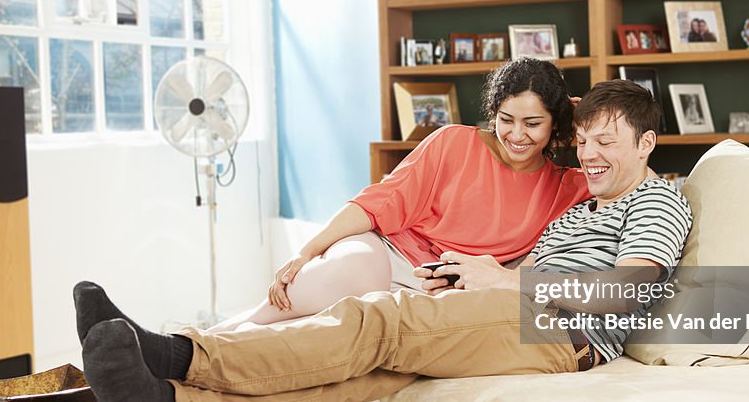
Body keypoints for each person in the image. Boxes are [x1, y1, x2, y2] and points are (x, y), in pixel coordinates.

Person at [76, 80, 693, 402]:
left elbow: (629, 291)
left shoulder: (655, 198)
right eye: (583, 140)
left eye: (606, 142)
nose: (589, 153)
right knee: (363, 381)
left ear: (646, 144)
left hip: (559, 330)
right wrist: (463, 275)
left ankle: (178, 352)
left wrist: (505, 279)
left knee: (379, 321)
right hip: (520, 314)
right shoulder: (580, 201)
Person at [211, 58, 590, 329]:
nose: (517, 134)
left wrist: (586, 123)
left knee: (335, 323)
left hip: (440, 287)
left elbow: (635, 176)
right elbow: (380, 201)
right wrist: (305, 251)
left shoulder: (568, 185)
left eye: (533, 123)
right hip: (389, 254)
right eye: (506, 120)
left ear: (556, 124)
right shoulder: (454, 142)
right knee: (292, 305)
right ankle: (204, 342)